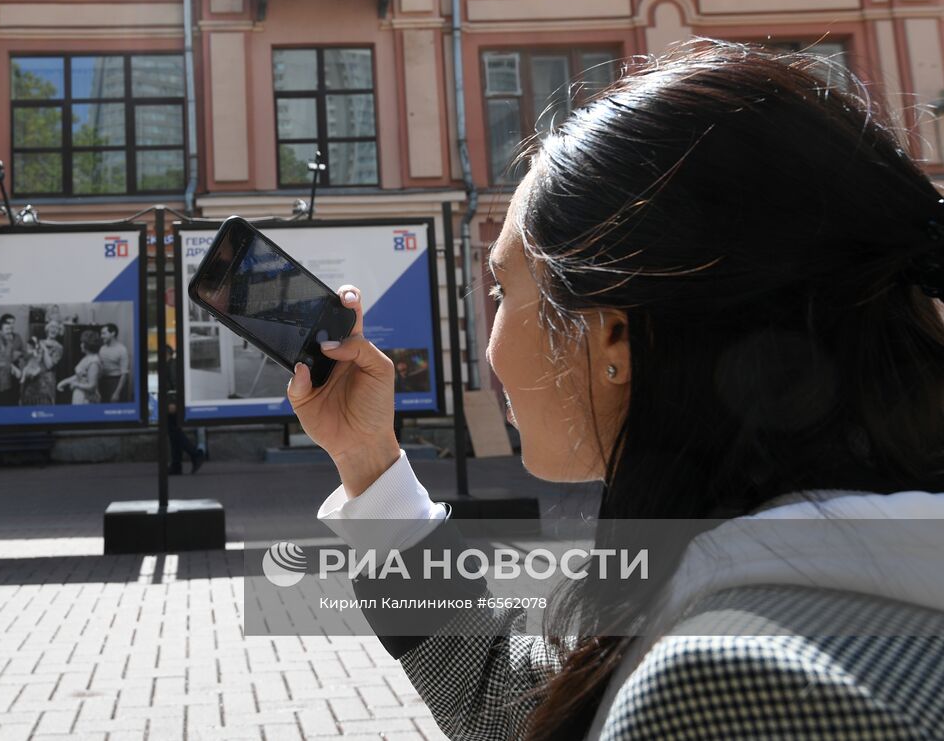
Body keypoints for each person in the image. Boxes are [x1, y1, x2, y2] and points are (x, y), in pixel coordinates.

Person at [286, 42, 944, 740]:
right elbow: (514, 702)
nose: (493, 340)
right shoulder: (816, 581)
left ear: (613, 339)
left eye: (503, 289)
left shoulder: (728, 683)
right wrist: (370, 460)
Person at [162, 344, 203, 474]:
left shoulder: (171, 365)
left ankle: (196, 454)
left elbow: (175, 384)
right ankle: (176, 465)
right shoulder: (168, 364)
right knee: (173, 433)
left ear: (166, 353)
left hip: (172, 403)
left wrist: (173, 402)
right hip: (169, 402)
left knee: (175, 432)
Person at [58, 330, 103, 404]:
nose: (80, 345)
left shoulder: (94, 362)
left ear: (88, 345)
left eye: (82, 343)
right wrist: (64, 382)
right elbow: (79, 375)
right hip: (80, 394)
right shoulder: (87, 357)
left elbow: (92, 386)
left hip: (87, 398)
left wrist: (76, 384)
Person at [20, 334, 64, 406]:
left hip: (46, 381)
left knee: (44, 404)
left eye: (56, 328)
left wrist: (44, 349)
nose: (53, 330)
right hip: (31, 378)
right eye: (52, 326)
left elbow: (49, 365)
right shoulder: (38, 341)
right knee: (29, 402)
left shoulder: (59, 347)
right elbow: (27, 356)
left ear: (60, 331)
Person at [97, 322, 130, 403]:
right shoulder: (102, 349)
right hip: (103, 382)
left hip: (116, 382)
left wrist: (117, 393)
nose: (101, 336)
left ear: (113, 333)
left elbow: (124, 374)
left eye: (104, 333)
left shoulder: (122, 350)